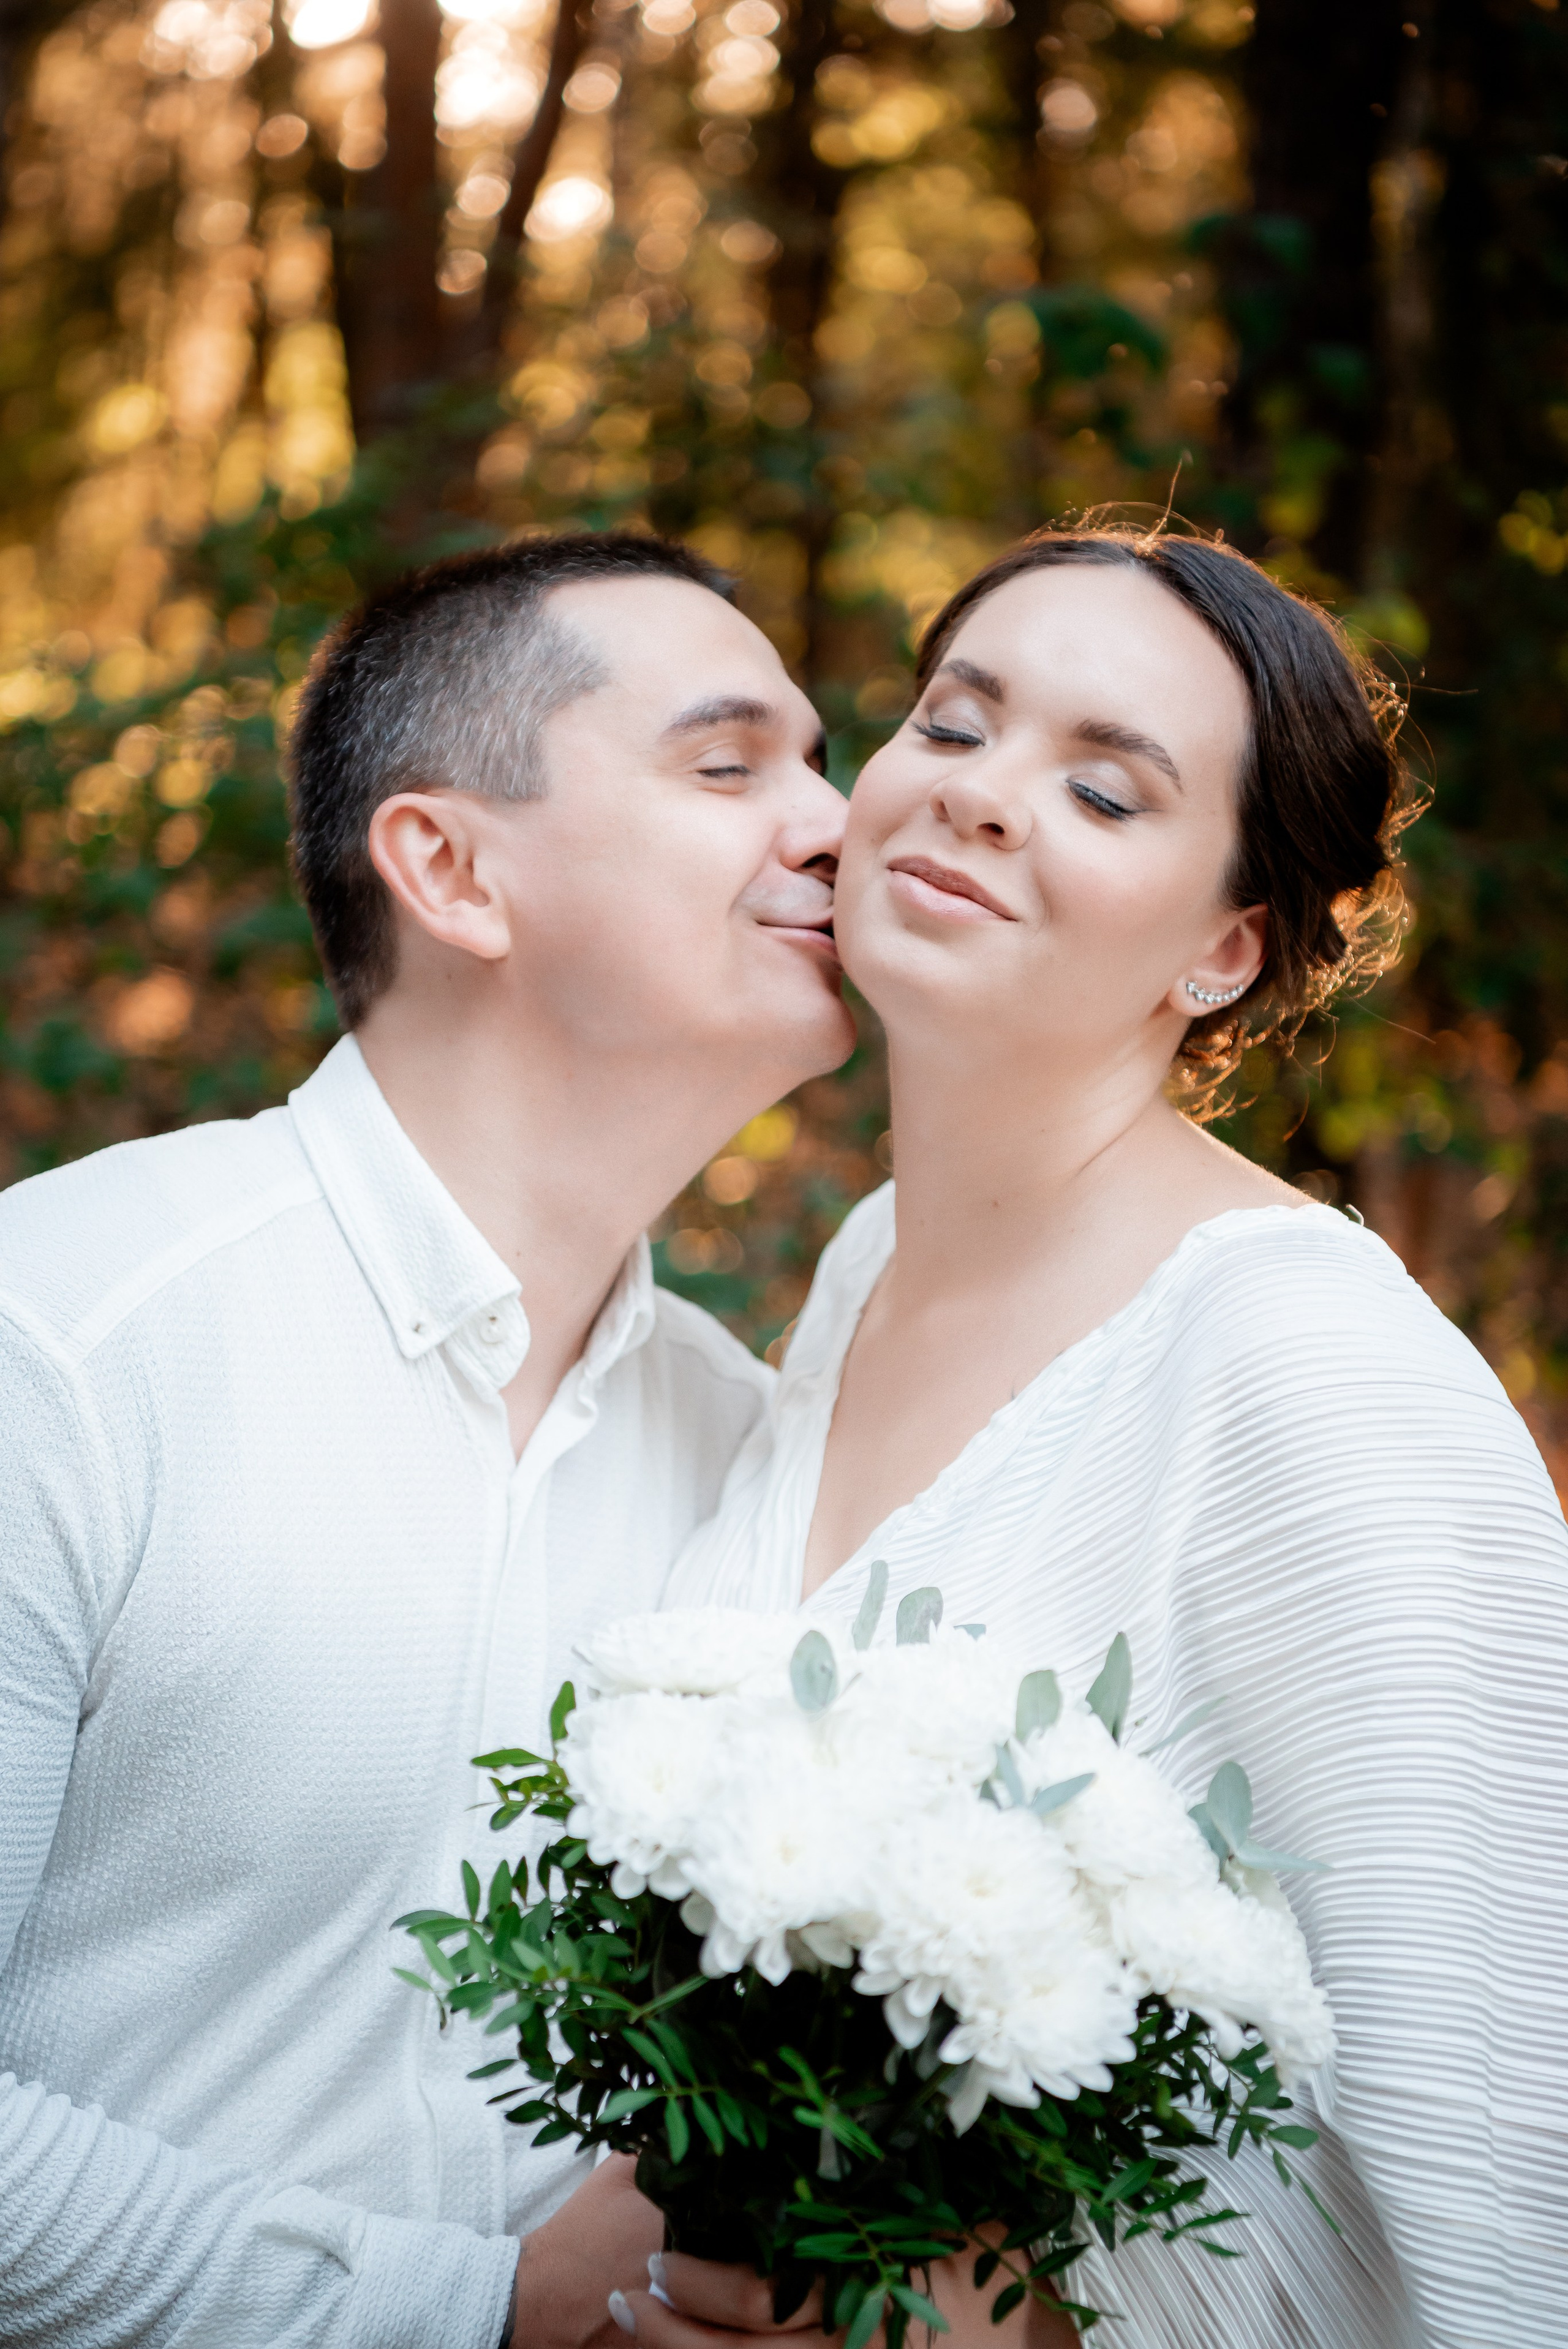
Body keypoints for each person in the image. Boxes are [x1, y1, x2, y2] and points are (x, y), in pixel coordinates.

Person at [647, 526, 1568, 2348]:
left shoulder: (1310, 1367)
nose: (983, 798)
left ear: (1225, 951)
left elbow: (1508, 2152)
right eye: (955, 721)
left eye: (1101, 785)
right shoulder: (856, 1274)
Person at [0, 531, 856, 2349]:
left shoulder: (760, 1447)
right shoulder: (62, 1340)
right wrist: (468, 2306)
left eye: (822, 757)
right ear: (453, 868)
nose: (841, 824)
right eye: (730, 765)